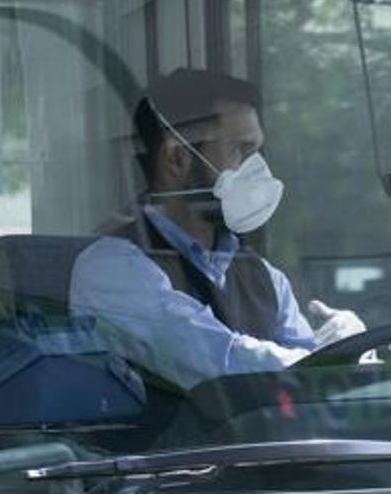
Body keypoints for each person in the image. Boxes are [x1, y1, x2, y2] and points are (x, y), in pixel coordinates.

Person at [69, 68, 366, 390]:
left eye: (257, 152)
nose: (259, 171)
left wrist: (353, 349)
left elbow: (319, 381)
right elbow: (219, 362)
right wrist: (332, 359)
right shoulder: (111, 268)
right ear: (177, 159)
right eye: (240, 150)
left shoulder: (264, 277)